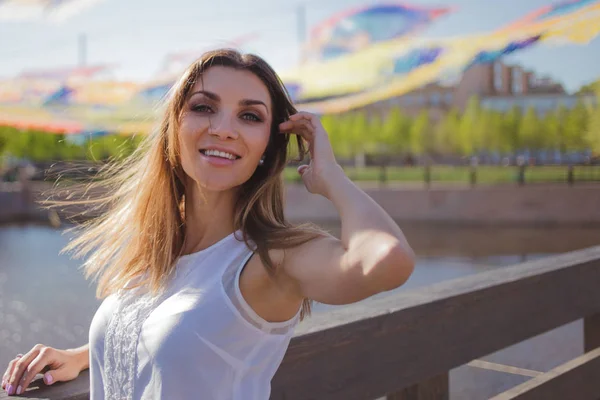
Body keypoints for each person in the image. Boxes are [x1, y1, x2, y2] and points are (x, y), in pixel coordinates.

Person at [1, 49, 415, 399]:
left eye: (250, 117)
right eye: (203, 107)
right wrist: (90, 352)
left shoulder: (270, 261)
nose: (223, 129)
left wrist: (332, 178)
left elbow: (388, 260)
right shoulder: (159, 248)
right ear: (174, 128)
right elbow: (189, 339)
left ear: (269, 147)